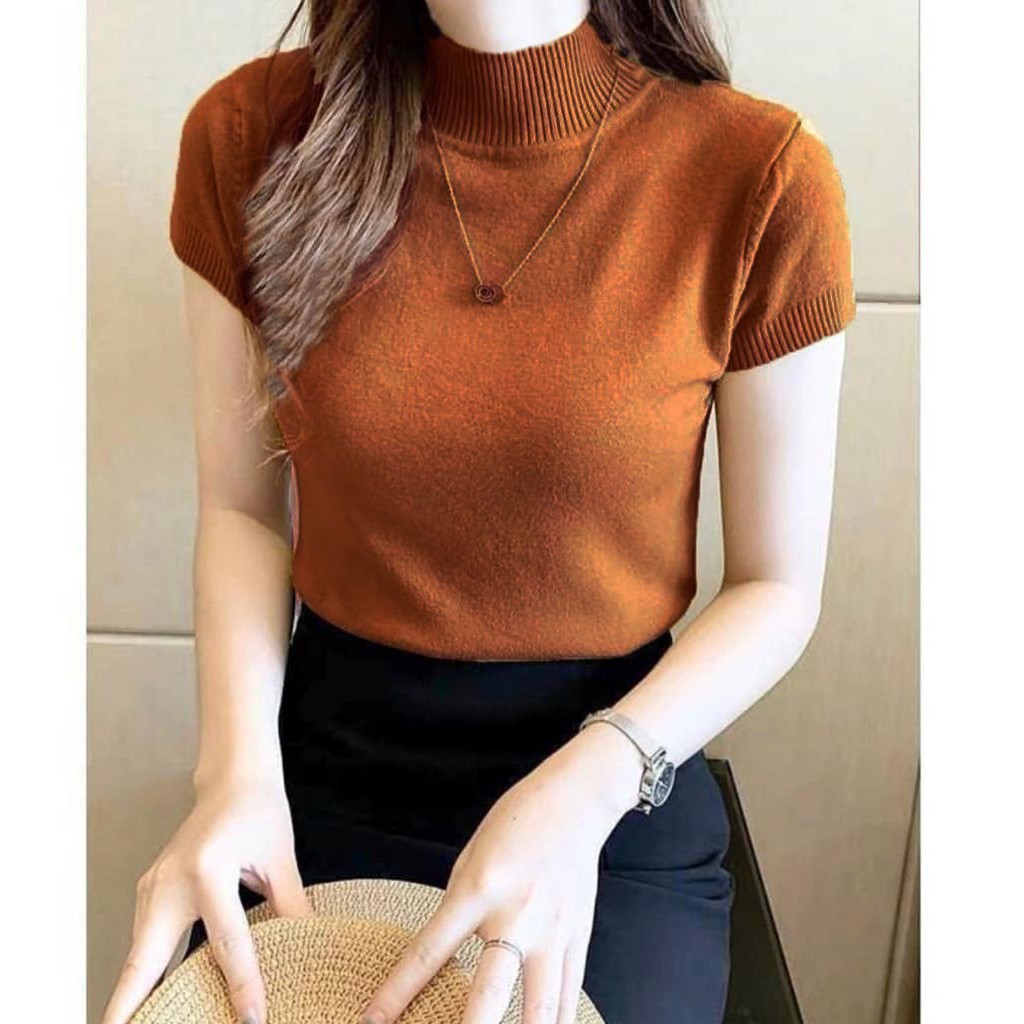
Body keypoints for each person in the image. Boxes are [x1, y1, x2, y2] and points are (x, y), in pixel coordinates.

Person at [100, 1, 855, 1022]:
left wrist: (591, 783)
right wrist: (231, 772)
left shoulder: (760, 180)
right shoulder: (250, 138)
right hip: (323, 769)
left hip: (612, 774)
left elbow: (777, 586)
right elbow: (243, 510)